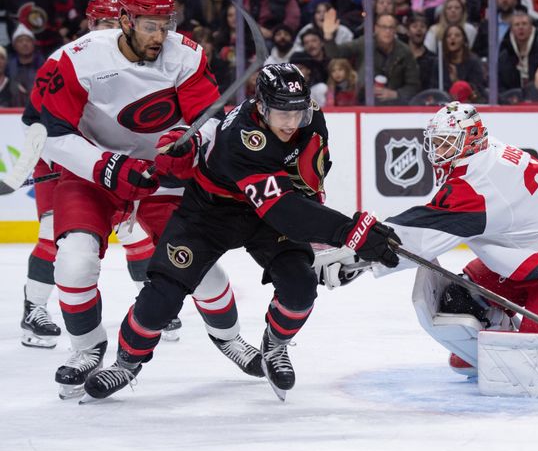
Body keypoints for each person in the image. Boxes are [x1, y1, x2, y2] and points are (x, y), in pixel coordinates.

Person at [82, 63, 401, 401]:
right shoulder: (243, 139)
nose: (292, 122)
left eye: (298, 112)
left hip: (267, 215)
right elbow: (282, 211)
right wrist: (349, 232)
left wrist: (333, 234)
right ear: (262, 107)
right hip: (210, 214)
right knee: (162, 297)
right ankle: (126, 363)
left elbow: (307, 182)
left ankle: (275, 346)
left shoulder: (311, 116)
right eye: (282, 113)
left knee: (300, 284)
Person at [39, 0, 261, 399]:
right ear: (124, 20)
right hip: (92, 172)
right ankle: (86, 349)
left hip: (163, 174)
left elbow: (210, 120)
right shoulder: (74, 59)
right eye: (149, 25)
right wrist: (106, 167)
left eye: (166, 23)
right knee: (73, 261)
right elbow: (49, 134)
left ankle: (230, 338)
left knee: (199, 265)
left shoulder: (186, 54)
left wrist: (190, 144)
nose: (160, 35)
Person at [334, 101, 538, 375]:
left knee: (531, 368)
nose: (438, 152)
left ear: (469, 141)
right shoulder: (486, 150)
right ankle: (505, 335)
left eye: (448, 143)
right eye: (436, 143)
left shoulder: (478, 185)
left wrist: (358, 256)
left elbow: (420, 237)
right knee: (456, 305)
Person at [16, 0, 181, 348]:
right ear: (92, 24)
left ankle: (152, 305)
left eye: (114, 23)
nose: (110, 31)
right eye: (104, 23)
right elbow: (37, 121)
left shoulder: (141, 63)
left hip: (116, 165)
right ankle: (33, 309)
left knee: (135, 233)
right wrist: (47, 158)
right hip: (69, 164)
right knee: (53, 235)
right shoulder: (68, 59)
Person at [323, 11, 420, 106]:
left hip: (395, 105)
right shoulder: (364, 43)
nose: (388, 31)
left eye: (391, 27)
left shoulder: (405, 52)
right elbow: (335, 53)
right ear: (376, 28)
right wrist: (328, 36)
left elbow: (414, 85)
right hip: (363, 102)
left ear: (395, 30)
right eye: (384, 27)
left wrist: (395, 94)